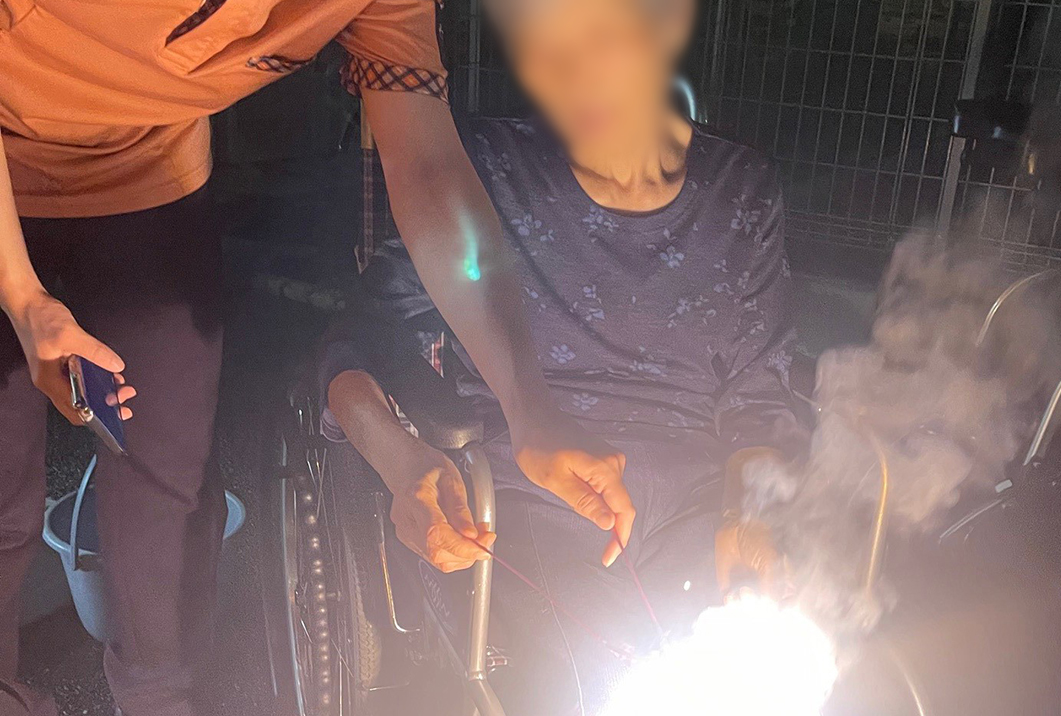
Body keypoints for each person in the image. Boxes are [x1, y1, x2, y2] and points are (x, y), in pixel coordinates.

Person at [0, 2, 628, 715]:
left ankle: (160, 698)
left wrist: (529, 405)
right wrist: (20, 293)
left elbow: (426, 167)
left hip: (148, 176)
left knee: (166, 474)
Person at [323, 0, 808, 712]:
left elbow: (760, 400)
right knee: (599, 670)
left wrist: (753, 514)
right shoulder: (481, 170)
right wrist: (401, 464)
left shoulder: (739, 190)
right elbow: (353, 349)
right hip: (530, 494)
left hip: (701, 507)